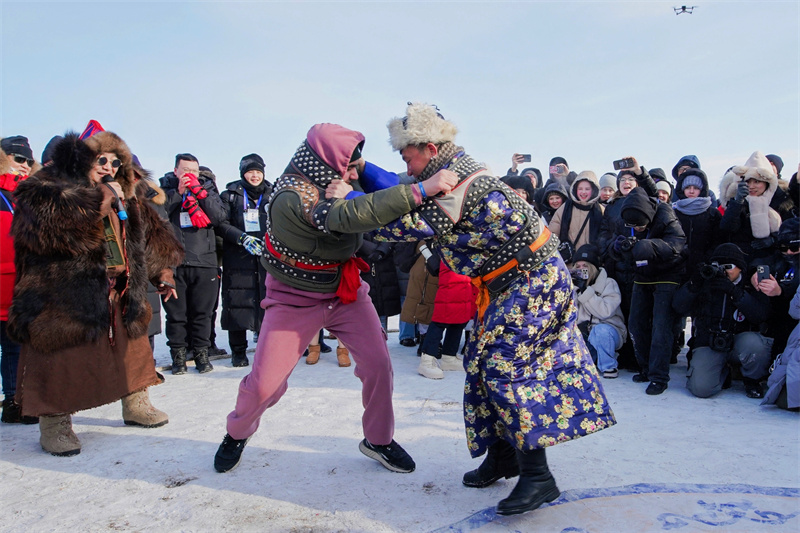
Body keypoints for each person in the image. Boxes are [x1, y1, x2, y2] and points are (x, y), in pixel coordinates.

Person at [370, 103, 615, 516]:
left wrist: (341, 208)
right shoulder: (448, 172)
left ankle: (538, 476)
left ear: (429, 149)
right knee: (481, 363)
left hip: (533, 280)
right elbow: (403, 195)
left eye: (408, 157)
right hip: (509, 282)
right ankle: (504, 455)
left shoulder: (456, 185)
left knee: (506, 367)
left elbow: (397, 226)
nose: (407, 168)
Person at [213, 123, 458, 475]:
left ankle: (379, 439)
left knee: (378, 367)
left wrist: (370, 170)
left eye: (352, 165)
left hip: (345, 291)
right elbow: (344, 215)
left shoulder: (343, 177)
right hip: (294, 299)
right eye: (346, 164)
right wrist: (420, 191)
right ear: (323, 160)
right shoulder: (289, 195)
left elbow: (386, 187)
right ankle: (237, 432)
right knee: (266, 383)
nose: (350, 172)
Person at [8, 131, 182, 456]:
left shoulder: (124, 193)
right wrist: (102, 198)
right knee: (60, 361)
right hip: (59, 296)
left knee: (133, 352)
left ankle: (136, 404)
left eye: (116, 162)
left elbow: (150, 234)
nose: (109, 167)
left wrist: (163, 271)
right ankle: (55, 425)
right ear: (82, 158)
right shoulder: (45, 188)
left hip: (118, 290)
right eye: (101, 160)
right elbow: (55, 232)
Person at [612, 187, 686, 395]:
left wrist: (651, 246)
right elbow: (613, 243)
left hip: (668, 274)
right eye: (634, 226)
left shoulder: (665, 214)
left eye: (641, 225)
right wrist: (617, 247)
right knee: (635, 323)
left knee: (661, 326)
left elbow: (678, 243)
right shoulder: (624, 217)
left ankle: (658, 376)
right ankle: (645, 367)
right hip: (642, 274)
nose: (638, 228)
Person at [673, 244, 772, 398]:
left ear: (740, 268)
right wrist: (694, 285)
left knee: (757, 345)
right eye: (717, 266)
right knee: (701, 389)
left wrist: (735, 292)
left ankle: (752, 380)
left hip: (739, 340)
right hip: (710, 340)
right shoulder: (705, 281)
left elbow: (759, 315)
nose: (722, 271)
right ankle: (722, 372)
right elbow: (678, 307)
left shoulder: (749, 283)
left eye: (728, 266)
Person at [160, 154, 227, 374]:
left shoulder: (208, 190)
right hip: (174, 262)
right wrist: (177, 194)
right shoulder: (163, 190)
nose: (190, 173)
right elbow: (157, 216)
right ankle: (178, 357)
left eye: (194, 170)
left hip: (205, 261)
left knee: (203, 314)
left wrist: (201, 193)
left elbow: (219, 217)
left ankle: (202, 354)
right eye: (185, 169)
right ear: (176, 170)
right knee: (176, 315)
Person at [216, 154, 272, 367]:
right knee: (237, 304)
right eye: (250, 171)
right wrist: (241, 237)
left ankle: (267, 351)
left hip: (266, 258)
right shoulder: (230, 195)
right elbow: (220, 223)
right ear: (242, 173)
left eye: (258, 171)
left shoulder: (273, 193)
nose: (255, 175)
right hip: (238, 258)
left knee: (268, 305)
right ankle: (238, 352)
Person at [0, 136, 39, 424]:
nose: (24, 165)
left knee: (20, 346)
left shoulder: (30, 198)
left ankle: (19, 401)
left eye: (29, 160)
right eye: (18, 158)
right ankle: (13, 400)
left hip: (22, 285)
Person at [571, 245, 627, 379]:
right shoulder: (572, 286)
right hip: (584, 334)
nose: (581, 269)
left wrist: (586, 291)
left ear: (593, 267)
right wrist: (574, 290)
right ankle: (591, 361)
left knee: (600, 331)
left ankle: (609, 366)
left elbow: (604, 312)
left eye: (585, 265)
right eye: (577, 266)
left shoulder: (608, 283)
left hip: (609, 331)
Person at [719, 151, 782, 266]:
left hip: (771, 262)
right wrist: (737, 202)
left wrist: (773, 240)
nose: (751, 186)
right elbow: (727, 228)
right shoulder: (736, 201)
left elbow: (789, 233)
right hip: (742, 262)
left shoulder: (780, 201)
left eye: (757, 181)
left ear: (767, 183)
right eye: (748, 181)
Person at [417, 259, 477, 379]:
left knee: (460, 320)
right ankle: (427, 360)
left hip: (465, 278)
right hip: (453, 274)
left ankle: (449, 356)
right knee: (440, 320)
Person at [548, 170, 604, 263]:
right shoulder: (565, 208)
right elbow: (552, 234)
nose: (583, 192)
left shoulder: (601, 210)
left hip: (592, 261)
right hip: (569, 261)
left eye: (587, 189)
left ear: (593, 190)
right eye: (580, 189)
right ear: (575, 189)